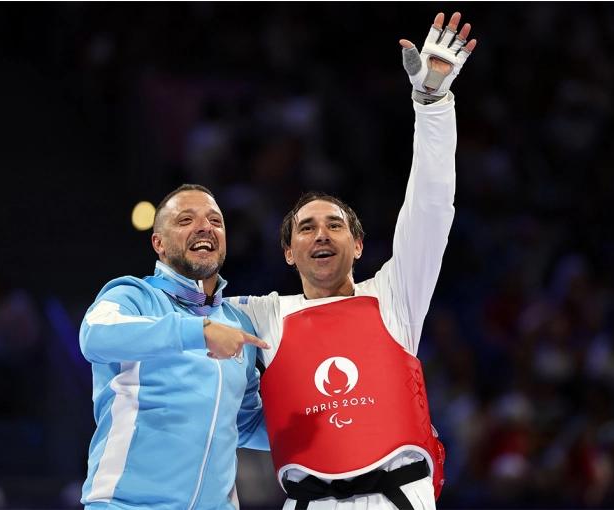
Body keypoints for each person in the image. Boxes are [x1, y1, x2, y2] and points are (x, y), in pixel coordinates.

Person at [228, 11, 477, 510]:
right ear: (287, 251)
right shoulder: (261, 317)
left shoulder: (393, 296)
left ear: (359, 246)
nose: (321, 234)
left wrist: (431, 105)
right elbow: (186, 311)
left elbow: (431, 204)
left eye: (335, 225)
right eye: (306, 227)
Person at [79, 184, 271, 510]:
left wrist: (324, 423)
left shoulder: (238, 324)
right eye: (185, 220)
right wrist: (199, 330)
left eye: (215, 220)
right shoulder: (132, 296)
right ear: (159, 243)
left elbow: (244, 423)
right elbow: (94, 335)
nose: (204, 226)